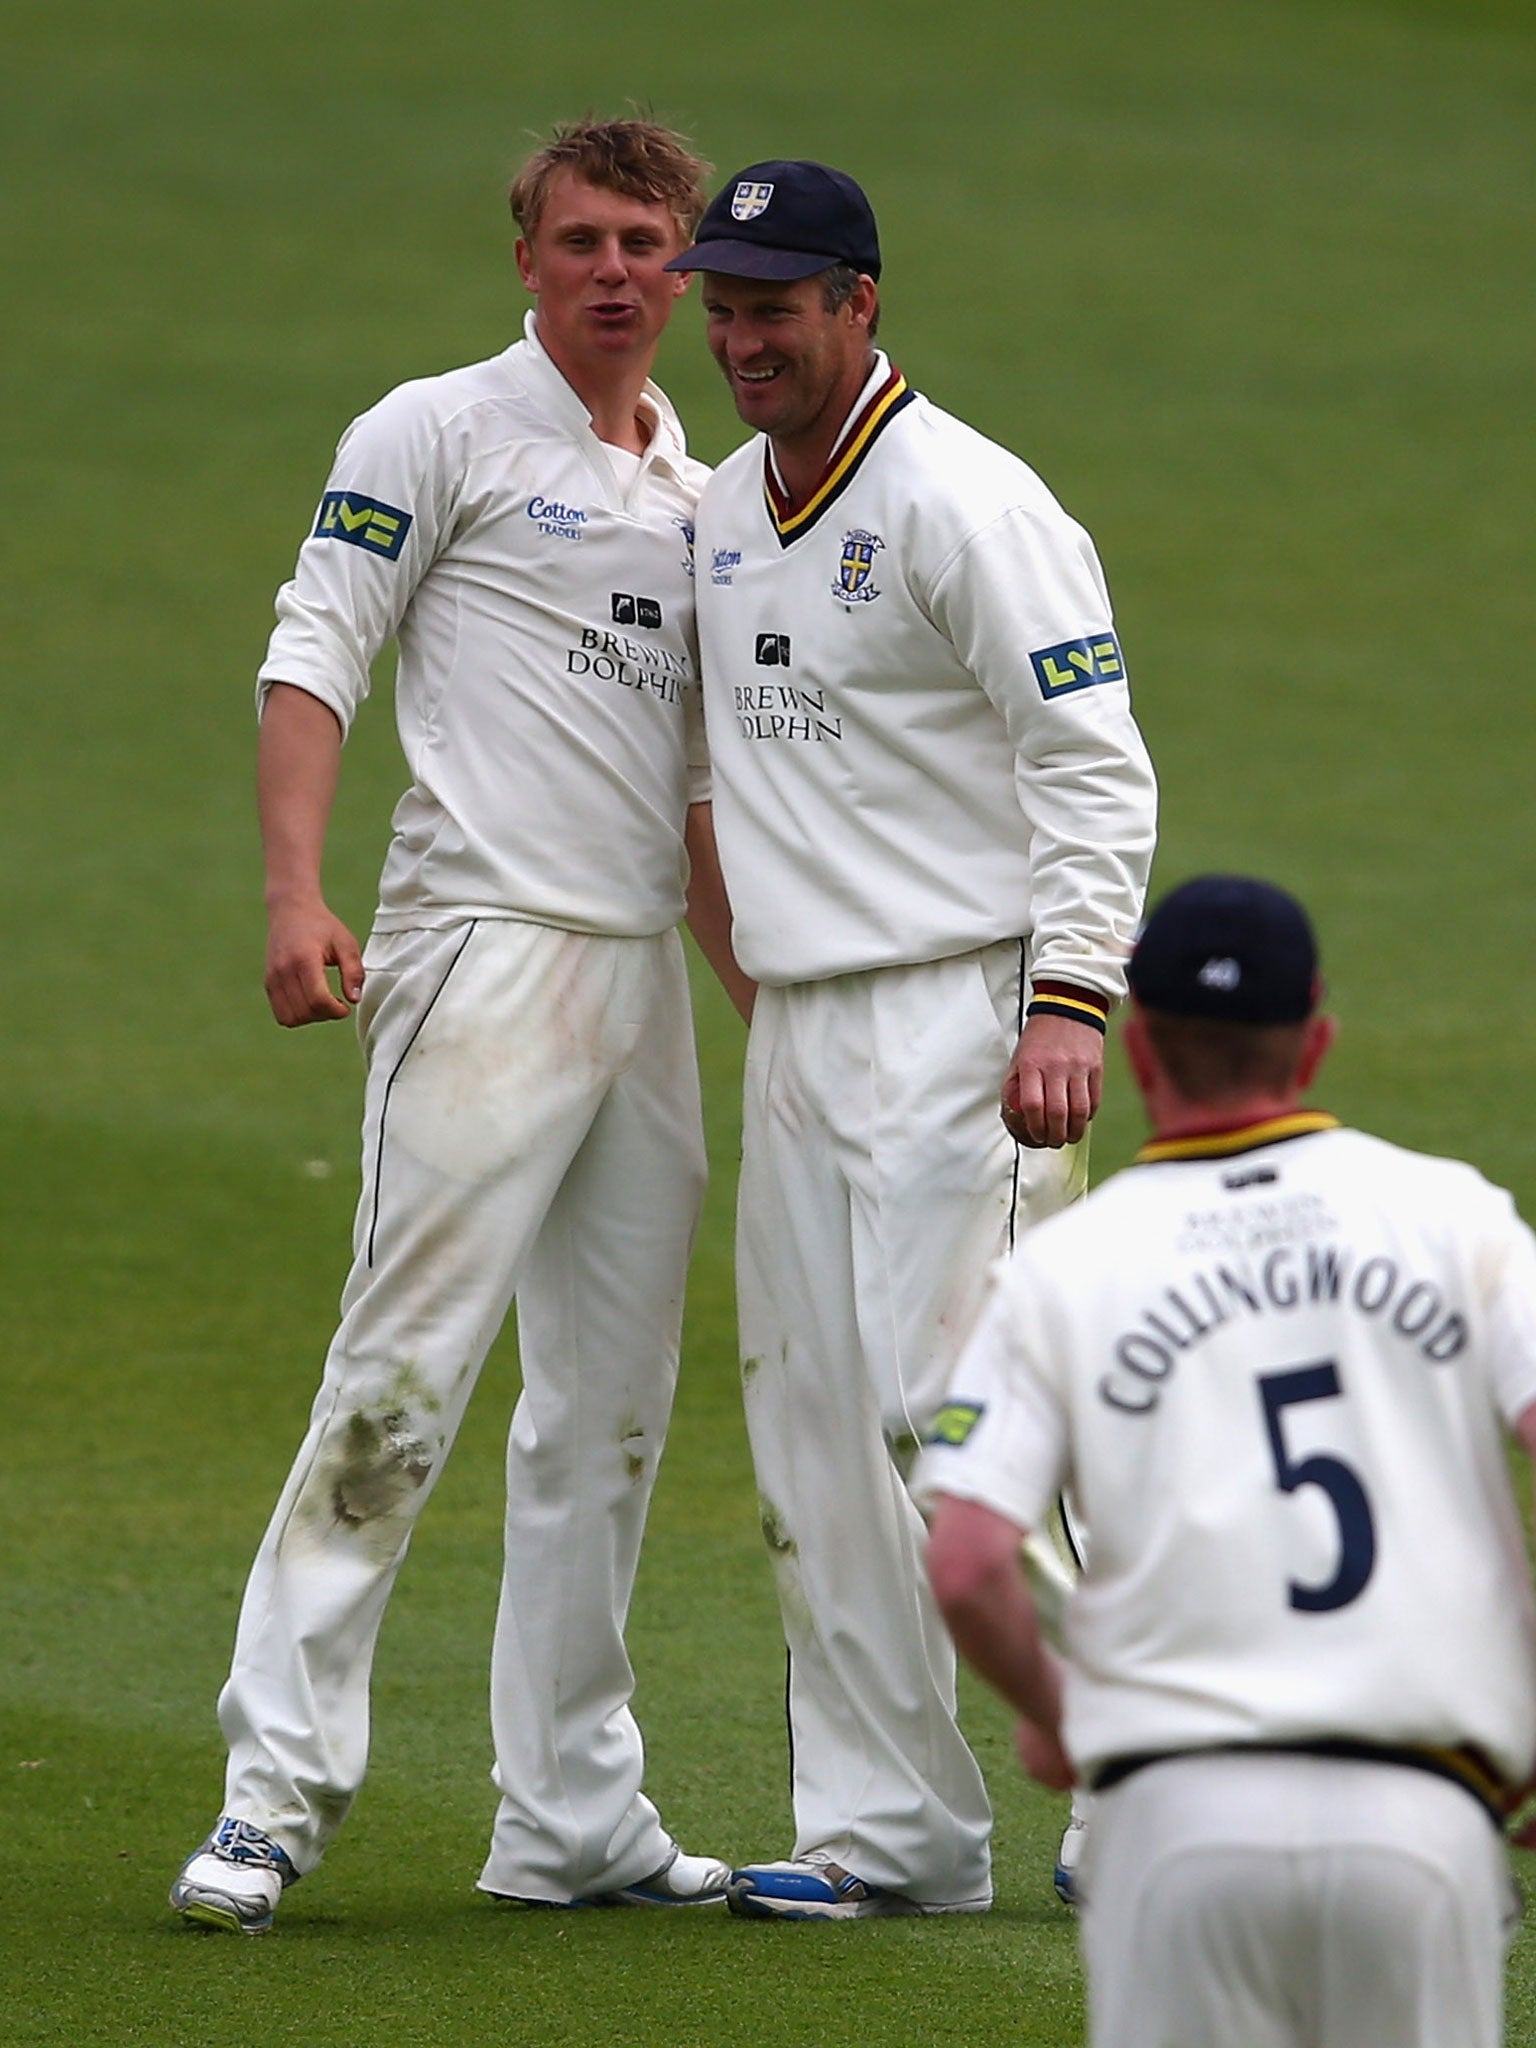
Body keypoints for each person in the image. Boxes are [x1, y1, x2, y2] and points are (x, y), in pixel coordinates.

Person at [170, 118, 751, 1934]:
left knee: (612, 1412)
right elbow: (314, 648)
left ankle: (572, 1810)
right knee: (402, 1375)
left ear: (685, 273)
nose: (612, 270)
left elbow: (704, 802)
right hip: (478, 948)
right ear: (527, 257)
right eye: (578, 237)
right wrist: (292, 892)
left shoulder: (702, 491)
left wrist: (768, 1015)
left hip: (639, 976)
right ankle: (272, 1792)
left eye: (645, 242)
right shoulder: (431, 428)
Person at [665, 161, 1157, 1918]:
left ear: (860, 303)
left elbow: (1093, 760)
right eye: (721, 306)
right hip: (802, 1025)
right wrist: (766, 989)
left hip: (969, 1012)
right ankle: (892, 1826)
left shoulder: (969, 500)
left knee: (959, 1422)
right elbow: (725, 774)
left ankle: (1151, 1766)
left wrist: (1067, 999)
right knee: (815, 1435)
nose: (741, 338)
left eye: (775, 307)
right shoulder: (724, 504)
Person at [920, 874, 1536, 2047]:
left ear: (1140, 1046)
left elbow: (962, 1563)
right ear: (1314, 1043)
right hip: (1422, 1816)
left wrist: (1059, 1718)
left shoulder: (1065, 1267)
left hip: (1177, 1822)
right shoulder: (1453, 1217)